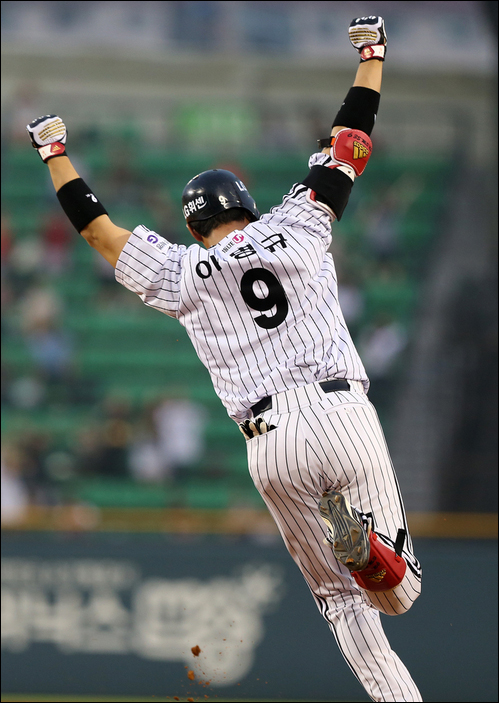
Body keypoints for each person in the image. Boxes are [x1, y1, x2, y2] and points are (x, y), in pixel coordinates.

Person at [26, 17, 423, 702]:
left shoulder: (183, 272)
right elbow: (349, 142)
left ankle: (376, 621)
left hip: (269, 441)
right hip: (340, 411)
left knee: (339, 602)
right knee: (399, 594)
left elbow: (99, 232)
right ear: (247, 204)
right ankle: (370, 552)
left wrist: (54, 152)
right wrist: (372, 56)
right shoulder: (298, 222)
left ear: (192, 226)